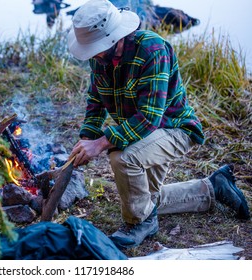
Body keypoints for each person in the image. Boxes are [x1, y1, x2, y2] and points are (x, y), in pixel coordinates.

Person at [67, 0, 250, 249]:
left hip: (173, 128)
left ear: (114, 38)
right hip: (141, 132)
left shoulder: (152, 50)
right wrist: (87, 138)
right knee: (144, 197)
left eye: (98, 48)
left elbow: (149, 118)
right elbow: (95, 101)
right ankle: (212, 188)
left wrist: (101, 143)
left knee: (122, 158)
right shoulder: (99, 59)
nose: (94, 54)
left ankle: (140, 222)